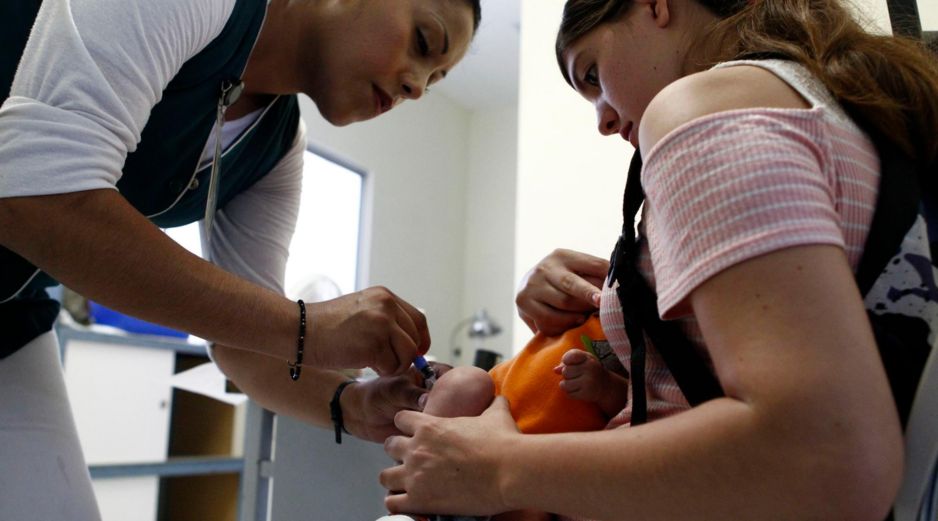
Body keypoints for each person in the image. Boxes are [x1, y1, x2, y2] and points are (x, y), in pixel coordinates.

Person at [380, 0, 938, 519]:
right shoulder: (825, 108)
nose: (601, 119)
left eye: (593, 74)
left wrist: (497, 468)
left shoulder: (702, 108)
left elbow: (825, 454)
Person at [0, 0, 480, 519]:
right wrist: (306, 325)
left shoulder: (274, 150)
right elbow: (31, 194)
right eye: (423, 42)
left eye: (433, 81)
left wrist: (355, 403)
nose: (416, 87)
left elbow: (245, 348)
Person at [381, 315, 629, 521]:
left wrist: (605, 386)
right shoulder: (591, 300)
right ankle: (410, 510)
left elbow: (640, 411)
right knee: (464, 381)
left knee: (535, 511)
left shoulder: (643, 338)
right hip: (483, 419)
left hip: (538, 474)